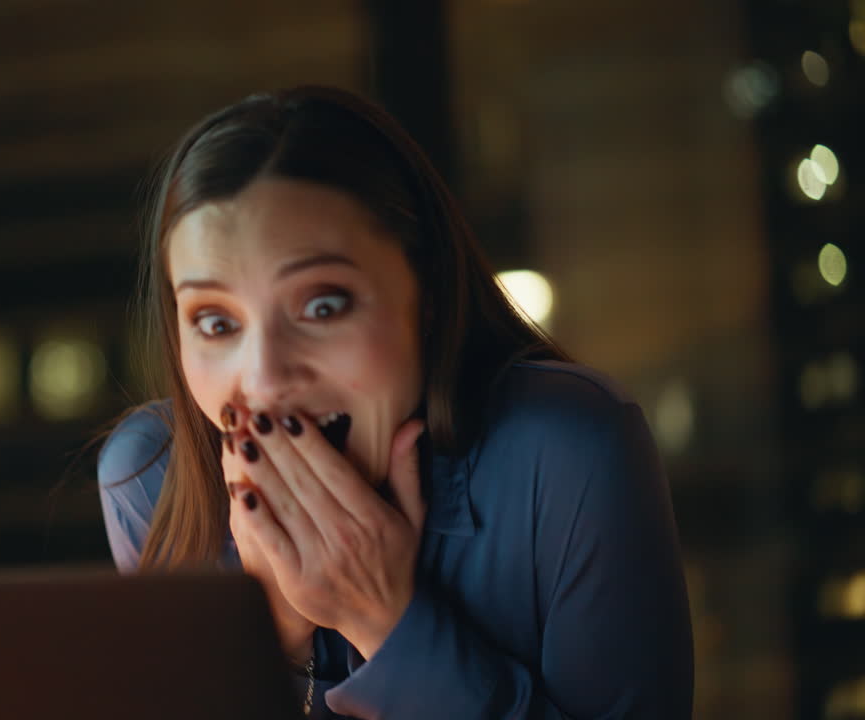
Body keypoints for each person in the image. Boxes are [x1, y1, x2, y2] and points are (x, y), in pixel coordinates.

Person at [96, 86, 693, 719]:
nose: (265, 379)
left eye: (323, 306)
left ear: (426, 297)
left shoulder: (568, 450)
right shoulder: (150, 478)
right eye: (216, 323)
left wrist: (381, 619)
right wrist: (265, 636)